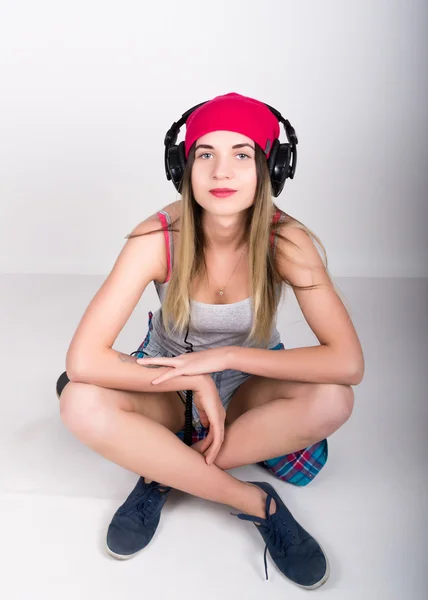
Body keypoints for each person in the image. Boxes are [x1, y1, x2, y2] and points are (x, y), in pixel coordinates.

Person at [56, 92, 364, 590]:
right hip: (170, 380)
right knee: (78, 401)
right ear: (183, 166)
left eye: (242, 155)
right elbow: (83, 359)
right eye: (206, 154)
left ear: (271, 169)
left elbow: (348, 364)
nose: (222, 172)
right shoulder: (157, 237)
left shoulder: (287, 242)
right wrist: (196, 378)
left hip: (251, 383)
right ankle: (256, 503)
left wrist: (221, 358)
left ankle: (164, 469)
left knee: (334, 399)